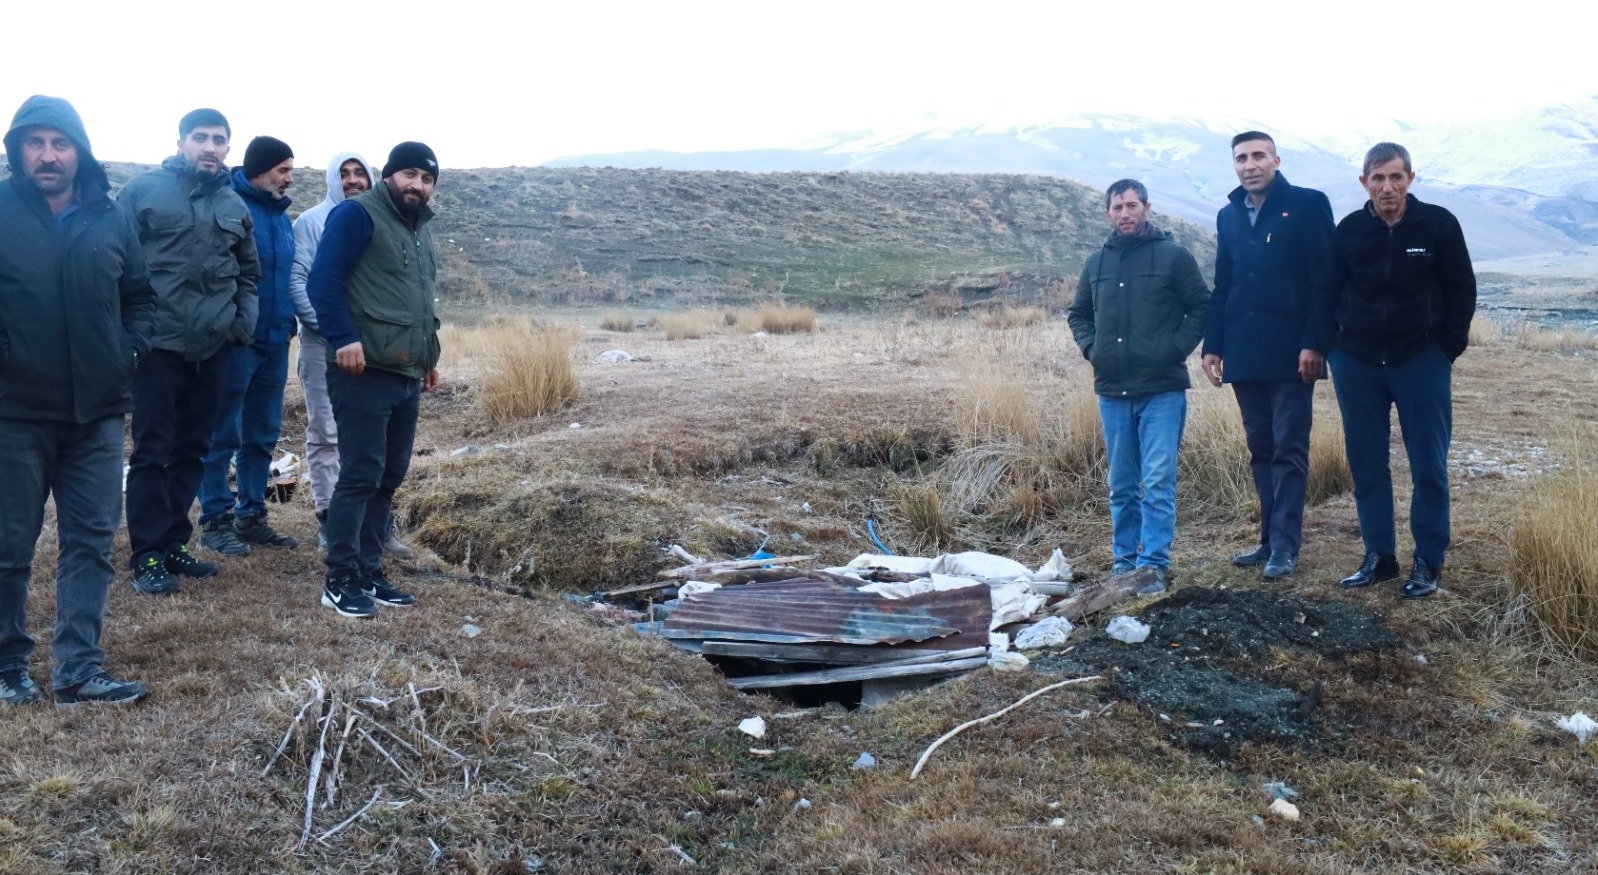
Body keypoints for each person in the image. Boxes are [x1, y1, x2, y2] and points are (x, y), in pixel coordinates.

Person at [0, 96, 154, 706]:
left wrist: (129, 350)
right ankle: (8, 665)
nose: (48, 155)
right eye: (34, 143)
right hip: (14, 411)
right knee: (8, 546)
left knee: (91, 542)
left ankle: (78, 670)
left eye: (59, 143)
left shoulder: (112, 217)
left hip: (98, 412)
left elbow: (139, 297)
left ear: (79, 152)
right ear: (18, 151)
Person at [1309, 143, 1476, 599]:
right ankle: (1379, 557)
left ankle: (1428, 560)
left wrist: (1446, 349)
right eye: (1378, 178)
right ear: (1364, 182)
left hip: (1421, 360)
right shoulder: (1349, 230)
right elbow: (1326, 291)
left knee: (1428, 464)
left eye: (1396, 177)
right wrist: (1330, 349)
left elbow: (1462, 289)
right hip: (1357, 362)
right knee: (1366, 462)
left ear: (1410, 179)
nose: (1387, 187)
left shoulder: (1438, 224)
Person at [118, 108, 260, 595]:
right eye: (200, 137)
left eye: (218, 139)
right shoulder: (143, 192)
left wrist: (239, 326)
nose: (209, 147)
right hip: (157, 345)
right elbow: (115, 262)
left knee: (193, 448)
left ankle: (173, 541)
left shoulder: (234, 203)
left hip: (213, 347)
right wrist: (129, 333)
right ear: (181, 142)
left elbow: (249, 274)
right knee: (152, 450)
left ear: (227, 148)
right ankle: (146, 553)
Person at [307, 142, 443, 617]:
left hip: (405, 369)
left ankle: (368, 568)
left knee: (389, 475)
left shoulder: (419, 228)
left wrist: (428, 357)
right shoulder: (356, 215)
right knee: (361, 473)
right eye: (410, 174)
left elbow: (419, 299)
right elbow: (322, 282)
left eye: (427, 179)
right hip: (361, 369)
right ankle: (340, 577)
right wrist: (343, 337)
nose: (418, 185)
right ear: (389, 174)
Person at [1201, 132, 1336, 581]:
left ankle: (1285, 545)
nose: (1250, 164)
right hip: (1244, 352)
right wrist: (1213, 345)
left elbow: (1325, 280)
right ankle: (1267, 540)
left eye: (1259, 155)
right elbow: (1224, 285)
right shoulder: (1228, 215)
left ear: (1276, 161)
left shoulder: (1308, 204)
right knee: (1260, 448)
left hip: (1294, 353)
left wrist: (1315, 342)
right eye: (1241, 158)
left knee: (1289, 448)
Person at [1068, 179, 1210, 595]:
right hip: (1113, 390)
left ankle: (1153, 566)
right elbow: (1079, 314)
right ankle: (1124, 563)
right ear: (1108, 213)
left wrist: (1174, 349)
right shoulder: (1096, 263)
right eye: (1117, 207)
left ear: (1147, 207)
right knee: (1122, 485)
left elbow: (1202, 306)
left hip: (1162, 389)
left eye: (1132, 205)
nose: (1125, 213)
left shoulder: (1173, 257)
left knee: (1159, 480)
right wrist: (1093, 349)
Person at [289, 152, 414, 558]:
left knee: (375, 441)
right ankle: (330, 520)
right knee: (326, 432)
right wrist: (336, 333)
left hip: (374, 348)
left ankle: (375, 527)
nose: (353, 180)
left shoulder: (386, 220)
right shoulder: (311, 222)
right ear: (331, 179)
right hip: (324, 344)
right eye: (344, 174)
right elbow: (302, 281)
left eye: (360, 173)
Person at [196, 136, 300, 556]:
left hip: (276, 340)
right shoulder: (229, 206)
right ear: (259, 170)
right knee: (222, 432)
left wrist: (289, 322)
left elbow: (286, 277)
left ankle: (251, 515)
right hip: (237, 341)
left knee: (261, 433)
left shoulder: (281, 217)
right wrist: (231, 326)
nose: (289, 178)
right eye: (283, 170)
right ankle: (215, 519)